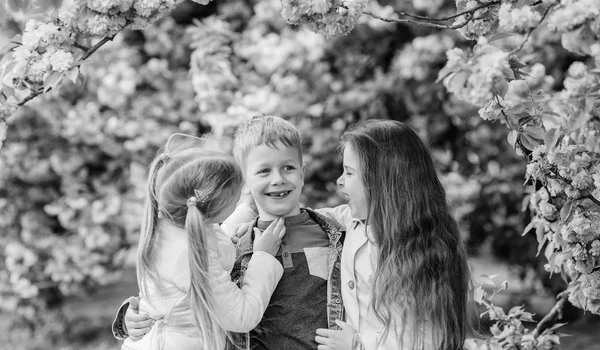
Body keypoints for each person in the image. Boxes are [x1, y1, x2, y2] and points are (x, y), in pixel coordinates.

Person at [113, 117, 346, 349]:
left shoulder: (332, 228)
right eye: (264, 171)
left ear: (302, 173)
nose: (278, 179)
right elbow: (172, 293)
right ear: (244, 183)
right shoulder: (215, 245)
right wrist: (130, 317)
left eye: (288, 168)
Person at [314, 119, 473, 350]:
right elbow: (303, 218)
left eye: (349, 173)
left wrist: (356, 345)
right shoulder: (353, 221)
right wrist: (249, 211)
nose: (339, 181)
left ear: (380, 183)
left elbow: (426, 340)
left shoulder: (424, 252)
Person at [119, 133, 287, 350]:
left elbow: (209, 239)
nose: (241, 195)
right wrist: (263, 257)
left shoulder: (172, 227)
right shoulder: (188, 255)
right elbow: (241, 316)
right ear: (215, 206)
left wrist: (246, 210)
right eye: (235, 196)